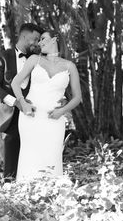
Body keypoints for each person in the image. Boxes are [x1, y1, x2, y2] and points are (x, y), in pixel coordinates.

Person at [11, 29, 82, 181]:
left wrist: (62, 111)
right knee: (29, 156)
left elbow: (77, 98)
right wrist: (23, 103)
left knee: (52, 155)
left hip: (54, 120)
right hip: (31, 117)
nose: (40, 42)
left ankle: (51, 196)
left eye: (43, 39)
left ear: (55, 39)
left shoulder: (70, 66)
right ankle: (26, 194)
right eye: (39, 40)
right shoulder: (34, 60)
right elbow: (15, 83)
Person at [0, 23, 44, 181]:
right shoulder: (3, 57)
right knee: (12, 153)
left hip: (34, 113)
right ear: (24, 36)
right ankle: (9, 186)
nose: (37, 43)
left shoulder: (38, 60)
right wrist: (16, 102)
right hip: (11, 114)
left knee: (34, 153)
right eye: (35, 39)